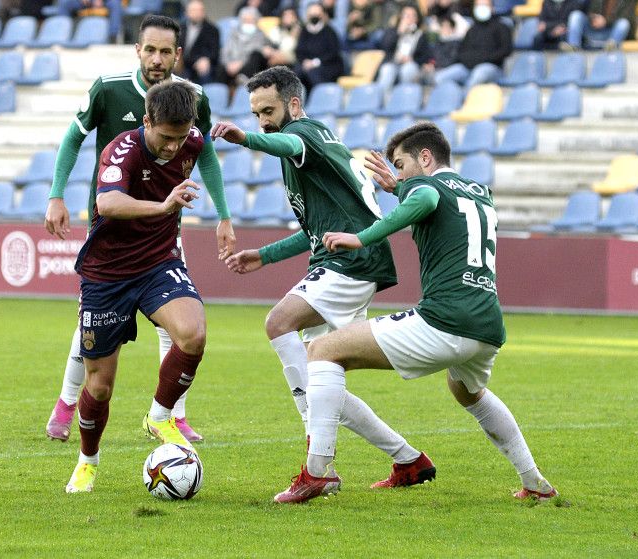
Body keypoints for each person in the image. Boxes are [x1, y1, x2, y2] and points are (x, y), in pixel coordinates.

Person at [272, 122, 559, 504]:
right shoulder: (479, 192)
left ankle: (317, 471)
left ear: (425, 157)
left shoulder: (426, 187)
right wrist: (401, 186)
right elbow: (429, 200)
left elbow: (424, 199)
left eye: (401, 164)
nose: (399, 173)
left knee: (323, 351)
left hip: (445, 319)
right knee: (468, 392)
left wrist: (360, 237)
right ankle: (536, 482)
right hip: (487, 323)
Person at [212, 66, 422, 491]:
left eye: (268, 111)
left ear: (293, 104)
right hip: (350, 258)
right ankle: (409, 460)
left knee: (278, 323)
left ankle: (316, 458)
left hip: (351, 261)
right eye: (255, 116)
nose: (262, 121)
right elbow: (315, 229)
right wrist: (265, 255)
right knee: (324, 372)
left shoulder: (304, 134)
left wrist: (247, 139)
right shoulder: (315, 146)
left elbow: (286, 139)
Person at [43, 15, 234, 445]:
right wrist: (57, 194)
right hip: (111, 224)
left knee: (178, 324)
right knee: (93, 325)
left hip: (164, 228)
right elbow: (73, 138)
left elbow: (205, 156)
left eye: (166, 51)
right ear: (138, 50)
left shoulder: (192, 98)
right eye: (150, 49)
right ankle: (67, 401)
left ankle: (170, 415)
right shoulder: (108, 88)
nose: (158, 59)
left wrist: (223, 214)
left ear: (178, 54)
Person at [64, 81, 211, 493]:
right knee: (100, 385)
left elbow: (205, 150)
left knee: (193, 334)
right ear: (147, 121)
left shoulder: (192, 140)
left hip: (158, 262)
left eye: (181, 138)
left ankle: (160, 416)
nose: (173, 147)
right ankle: (87, 461)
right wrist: (164, 206)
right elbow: (107, 204)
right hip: (107, 273)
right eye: (165, 137)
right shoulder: (121, 150)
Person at [433, 0, 512, 87]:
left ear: (492, 8)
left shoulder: (502, 27)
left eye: (485, 5)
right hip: (468, 66)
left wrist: (483, 59)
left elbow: (506, 50)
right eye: (478, 5)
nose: (481, 8)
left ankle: (466, 99)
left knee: (478, 75)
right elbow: (462, 51)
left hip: (492, 67)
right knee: (440, 77)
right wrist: (469, 61)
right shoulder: (472, 29)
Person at [377, 4, 436, 86]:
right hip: (393, 63)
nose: (410, 19)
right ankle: (382, 97)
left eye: (413, 16)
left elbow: (425, 56)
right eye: (407, 16)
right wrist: (399, 32)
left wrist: (411, 59)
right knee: (387, 70)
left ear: (417, 19)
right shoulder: (392, 31)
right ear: (401, 17)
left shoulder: (421, 35)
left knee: (408, 69)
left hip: (410, 64)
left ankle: (404, 96)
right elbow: (385, 46)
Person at [294, 2, 343, 90]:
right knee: (296, 73)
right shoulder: (304, 31)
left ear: (323, 15)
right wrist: (304, 61)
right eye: (311, 14)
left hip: (327, 66)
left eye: (317, 14)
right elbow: (299, 51)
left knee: (313, 73)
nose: (314, 16)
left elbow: (333, 53)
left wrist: (315, 62)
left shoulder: (330, 31)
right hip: (307, 65)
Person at [221, 7, 268, 86]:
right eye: (245, 20)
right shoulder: (233, 34)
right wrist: (228, 64)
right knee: (220, 66)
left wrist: (241, 63)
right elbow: (225, 51)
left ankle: (246, 82)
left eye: (251, 20)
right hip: (231, 65)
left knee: (256, 55)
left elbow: (255, 50)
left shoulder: (260, 35)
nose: (248, 22)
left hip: (247, 66)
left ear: (256, 21)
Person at [180, 0, 221, 85]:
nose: (197, 13)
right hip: (182, 62)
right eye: (194, 10)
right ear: (186, 13)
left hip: (200, 63)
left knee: (205, 72)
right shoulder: (180, 28)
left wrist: (206, 59)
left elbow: (214, 52)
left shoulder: (212, 29)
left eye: (200, 10)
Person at [566, 0, 631, 50]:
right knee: (576, 15)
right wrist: (594, 18)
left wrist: (605, 21)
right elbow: (590, 11)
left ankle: (612, 48)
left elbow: (627, 16)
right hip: (593, 29)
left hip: (610, 34)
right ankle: (574, 46)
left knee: (624, 23)